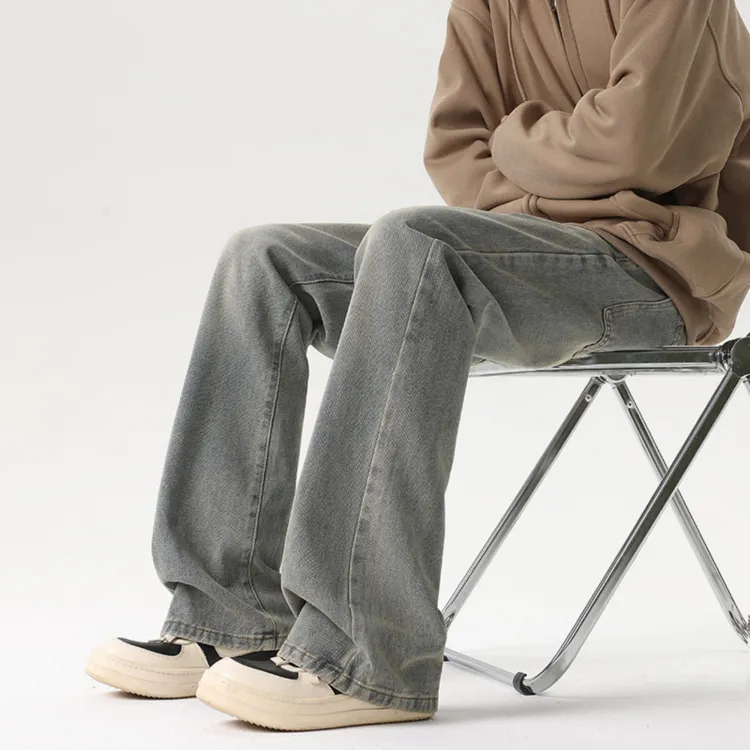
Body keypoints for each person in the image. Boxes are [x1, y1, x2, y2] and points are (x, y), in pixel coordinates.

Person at [84, 0, 750, 732]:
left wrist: (517, 140)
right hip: (513, 249)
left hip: (655, 269)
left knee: (416, 241)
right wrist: (560, 170)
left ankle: (367, 655)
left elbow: (641, 144)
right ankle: (227, 616)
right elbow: (457, 154)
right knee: (263, 258)